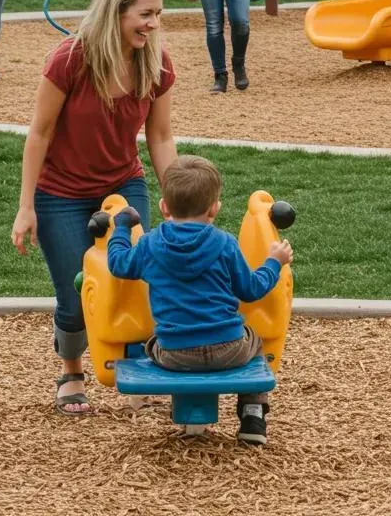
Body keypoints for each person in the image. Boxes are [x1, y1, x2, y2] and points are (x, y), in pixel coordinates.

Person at [11, 0, 178, 417]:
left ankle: (137, 368)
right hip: (60, 191)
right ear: (116, 12)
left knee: (134, 280)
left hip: (121, 184)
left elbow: (159, 137)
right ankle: (72, 371)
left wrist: (176, 196)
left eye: (158, 14)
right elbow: (39, 134)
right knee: (76, 289)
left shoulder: (156, 64)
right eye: (145, 15)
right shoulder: (70, 59)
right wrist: (26, 206)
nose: (153, 24)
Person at [107, 154, 294, 447]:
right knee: (255, 341)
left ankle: (153, 400)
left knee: (149, 340)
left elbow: (118, 264)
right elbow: (252, 289)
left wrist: (121, 227)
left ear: (164, 207)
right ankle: (253, 415)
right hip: (229, 348)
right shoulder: (225, 244)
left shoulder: (150, 244)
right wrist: (274, 262)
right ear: (214, 209)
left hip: (174, 354)